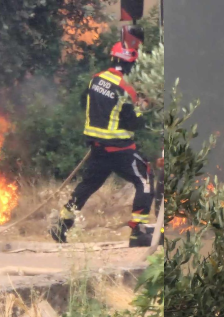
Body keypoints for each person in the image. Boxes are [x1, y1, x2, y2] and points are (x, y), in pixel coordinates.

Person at [51, 30, 156, 247]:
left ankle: (61, 224)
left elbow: (86, 105)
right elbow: (133, 122)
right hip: (120, 149)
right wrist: (144, 107)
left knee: (87, 186)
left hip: (97, 148)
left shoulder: (95, 80)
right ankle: (138, 232)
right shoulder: (126, 89)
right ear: (130, 64)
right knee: (145, 180)